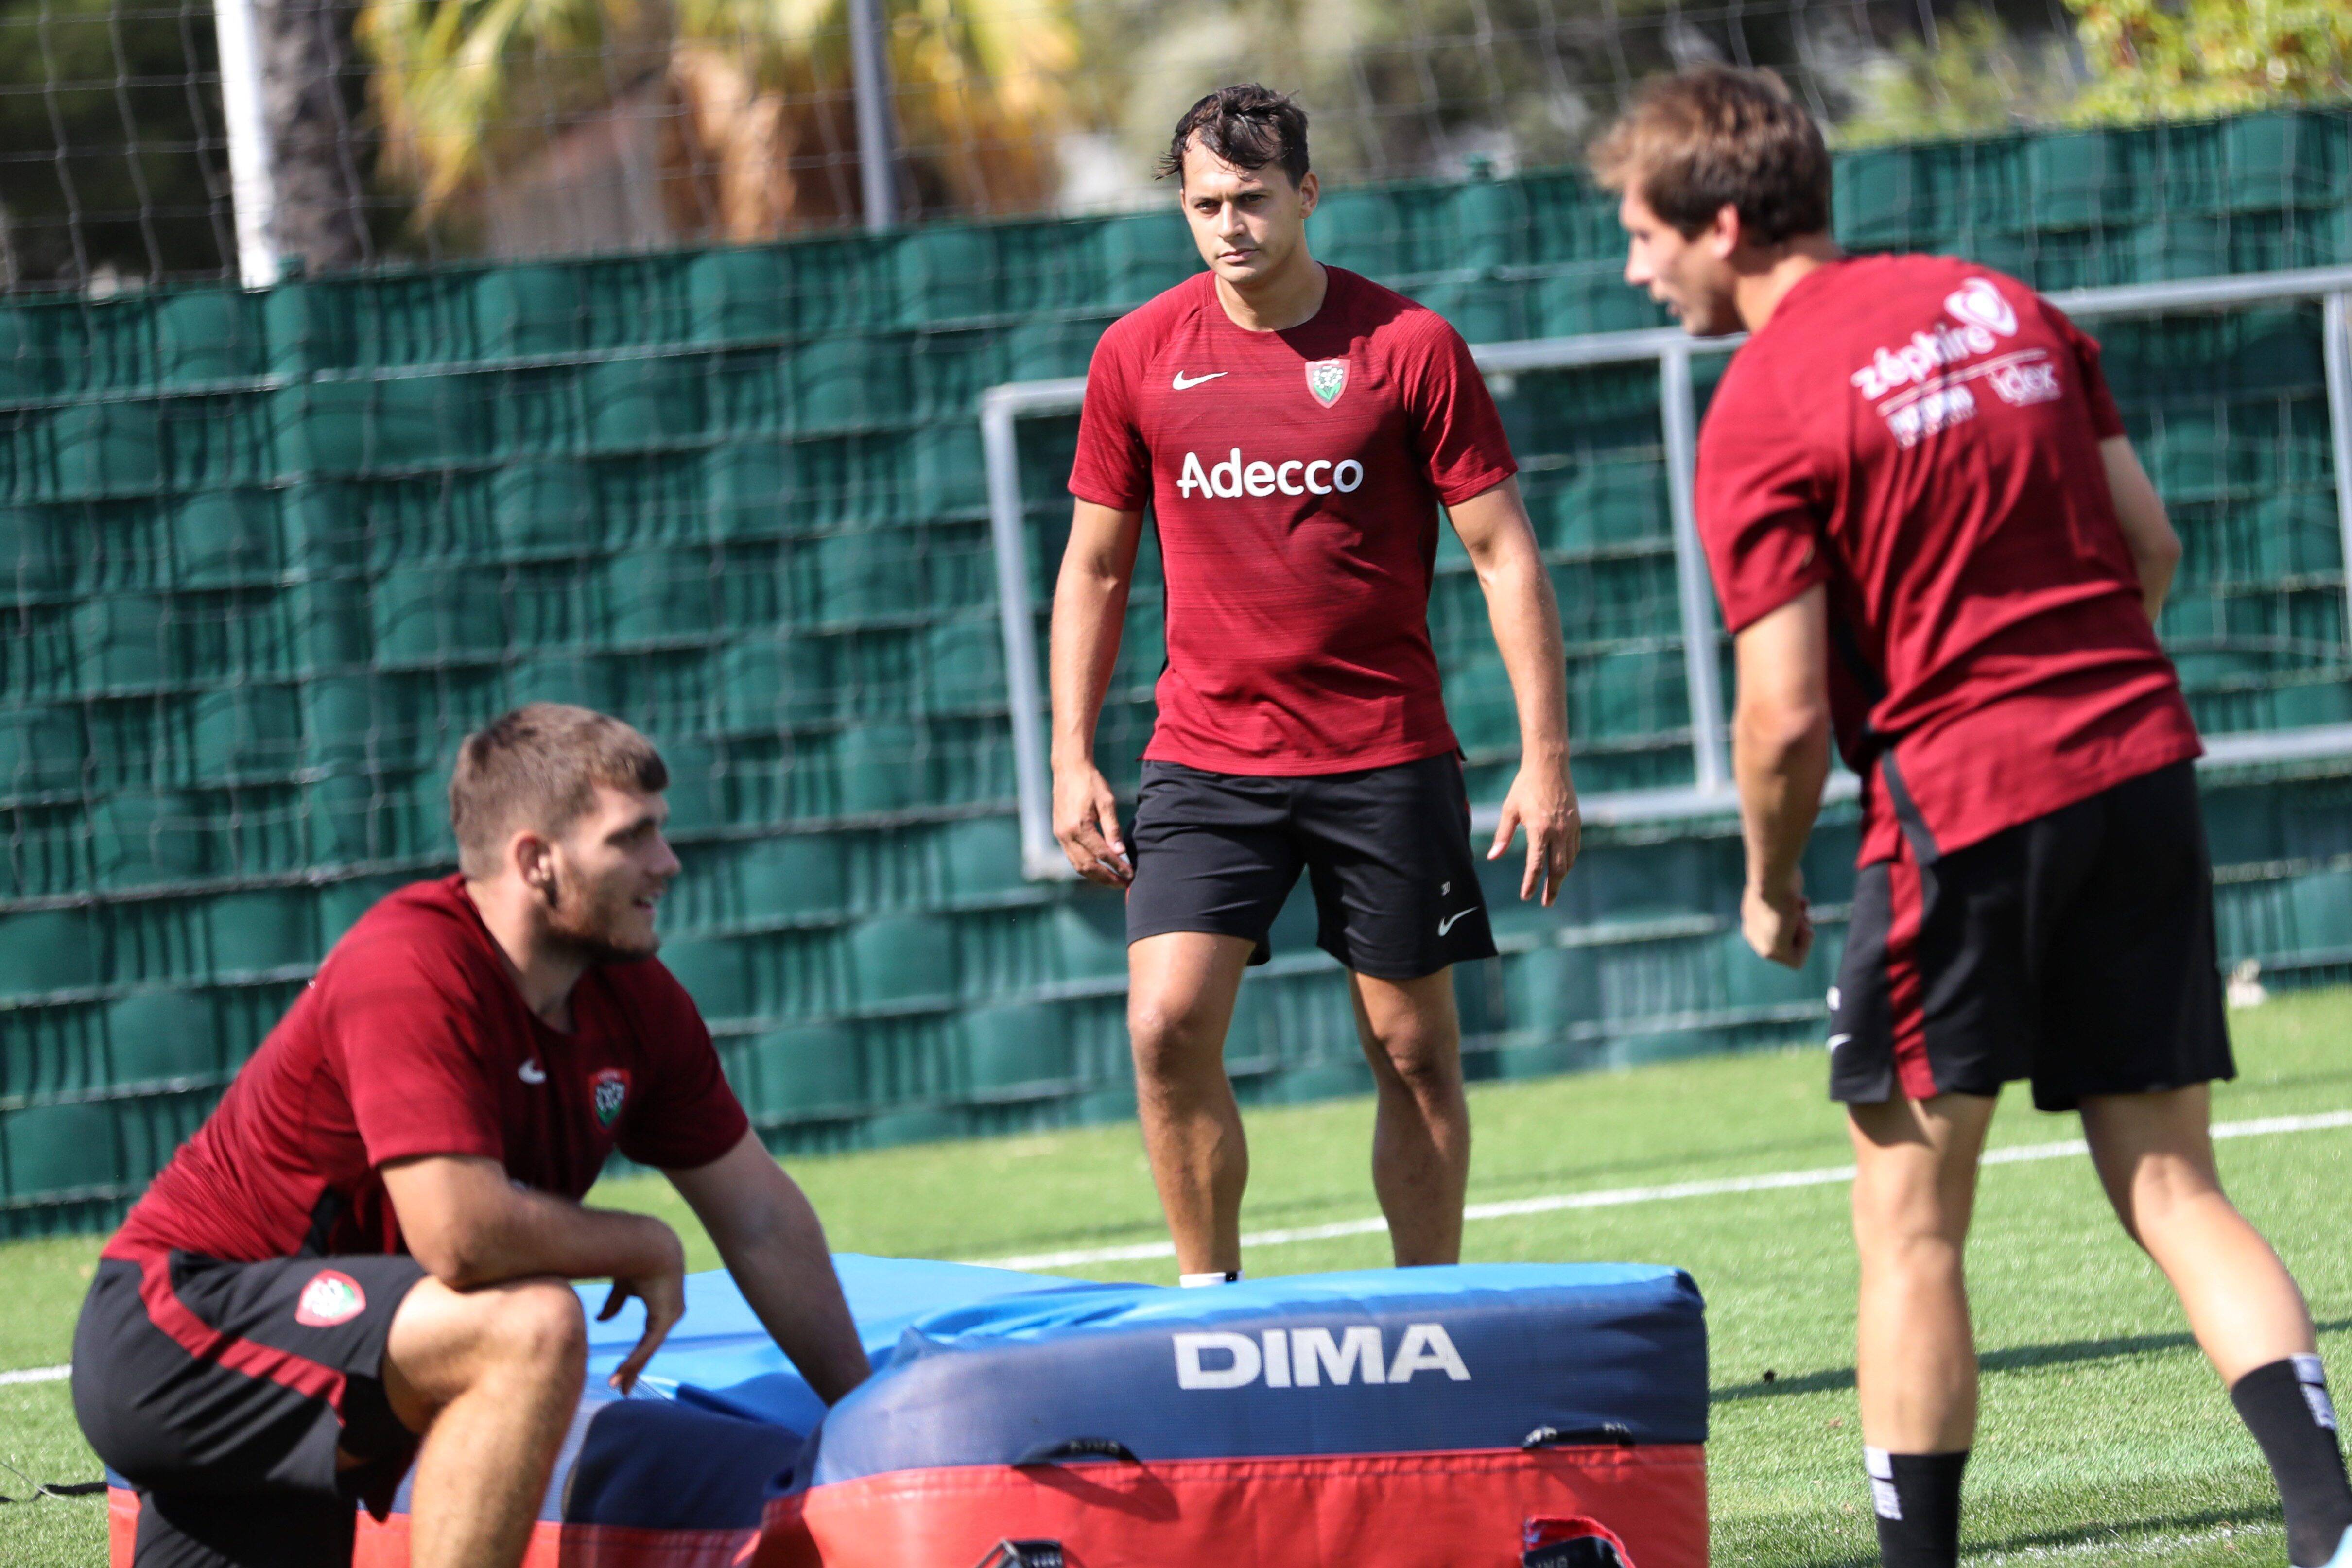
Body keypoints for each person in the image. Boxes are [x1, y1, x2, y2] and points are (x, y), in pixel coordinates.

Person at [1592, 64, 2352, 1568]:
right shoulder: (2005, 304)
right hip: (2138, 765)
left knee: (1911, 1226)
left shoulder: (1763, 405)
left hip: (1962, 809)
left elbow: (1785, 713)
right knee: (2173, 1182)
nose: (1634, 265)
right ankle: (2332, 1524)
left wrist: (1766, 877)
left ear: (1726, 223)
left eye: (1643, 235)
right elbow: (2152, 544)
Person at [72, 704, 871, 1568]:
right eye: (632, 838)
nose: (666, 863)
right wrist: (640, 1240)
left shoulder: (637, 1001)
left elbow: (761, 1219)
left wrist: (874, 1426)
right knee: (528, 1325)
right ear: (537, 861)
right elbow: (460, 1236)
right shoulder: (408, 964)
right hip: (176, 1336)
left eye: (662, 833)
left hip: (332, 1382)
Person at [1053, 83, 1580, 1285]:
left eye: (1249, 199)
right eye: (1203, 205)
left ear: (1306, 193)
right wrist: (1067, 753)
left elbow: (1504, 556)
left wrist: (1544, 761)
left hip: (1383, 754)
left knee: (1411, 1052)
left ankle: (1427, 1312)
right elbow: (1092, 567)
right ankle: (1207, 1305)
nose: (1228, 225)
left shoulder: (1408, 348)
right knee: (1164, 1024)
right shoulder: (1134, 355)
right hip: (1203, 756)